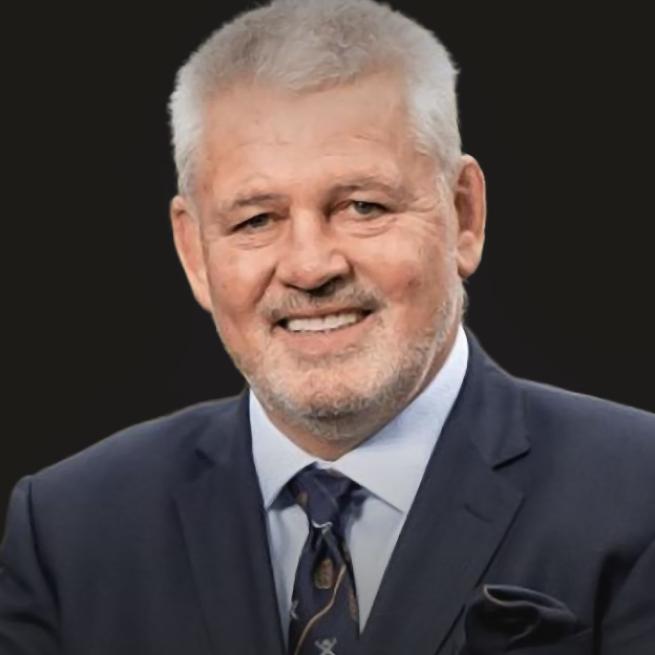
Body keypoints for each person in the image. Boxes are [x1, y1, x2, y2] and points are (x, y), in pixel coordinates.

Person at [1, 0, 654, 653]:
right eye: (255, 219)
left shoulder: (638, 493)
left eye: (362, 205)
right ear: (194, 252)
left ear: (464, 215)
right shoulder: (66, 529)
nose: (310, 267)